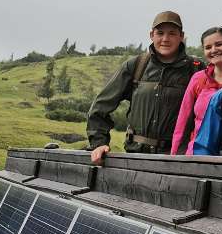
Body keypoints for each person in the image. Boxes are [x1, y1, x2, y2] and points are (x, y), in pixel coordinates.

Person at [87, 11, 203, 163]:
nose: (165, 39)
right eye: (160, 33)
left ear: (181, 36)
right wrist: (99, 143)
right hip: (135, 156)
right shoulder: (135, 65)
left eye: (172, 33)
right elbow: (100, 107)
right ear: (151, 35)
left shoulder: (196, 69)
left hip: (178, 159)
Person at [170, 26, 222, 155]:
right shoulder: (198, 79)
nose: (214, 50)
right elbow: (183, 121)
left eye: (219, 44)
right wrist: (174, 155)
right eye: (208, 47)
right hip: (198, 154)